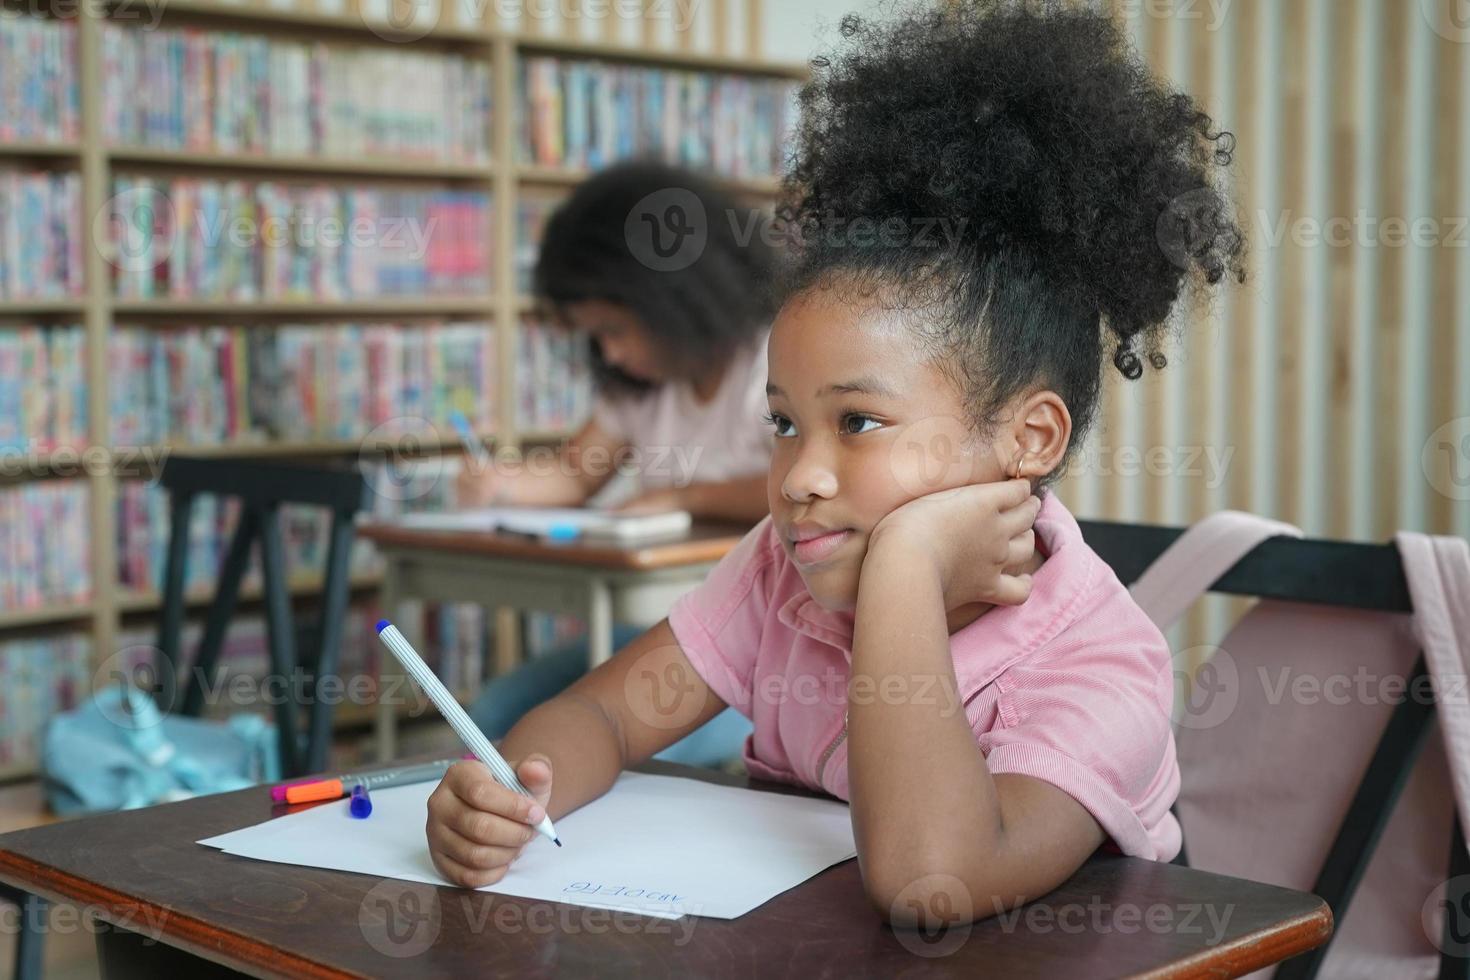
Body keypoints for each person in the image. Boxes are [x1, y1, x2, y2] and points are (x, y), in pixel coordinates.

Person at [428, 0, 1246, 924]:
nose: (799, 477)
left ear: (1031, 441)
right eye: (782, 424)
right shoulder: (783, 574)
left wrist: (905, 568)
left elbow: (927, 882)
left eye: (857, 423)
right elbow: (605, 716)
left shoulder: (1098, 666)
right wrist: (508, 793)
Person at [460, 162, 775, 766]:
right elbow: (578, 471)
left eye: (614, 329)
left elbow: (805, 488)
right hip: (675, 631)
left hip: (763, 651)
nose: (610, 353)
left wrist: (685, 496)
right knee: (495, 712)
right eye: (592, 337)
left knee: (645, 755)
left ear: (674, 297)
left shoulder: (775, 359)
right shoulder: (641, 385)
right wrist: (504, 482)